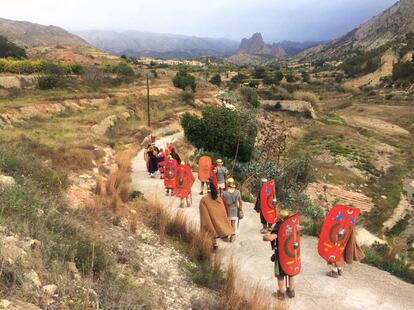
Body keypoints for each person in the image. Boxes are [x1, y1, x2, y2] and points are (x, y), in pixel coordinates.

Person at [263, 210, 296, 301]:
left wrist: (265, 237)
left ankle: (281, 293)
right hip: (291, 253)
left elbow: (271, 237)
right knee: (290, 272)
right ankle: (291, 291)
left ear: (280, 217)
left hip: (281, 255)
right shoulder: (292, 225)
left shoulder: (280, 226)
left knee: (280, 274)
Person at [199, 180, 235, 250]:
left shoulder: (204, 199)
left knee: (210, 227)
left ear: (208, 190)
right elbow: (223, 212)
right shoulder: (219, 199)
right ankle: (230, 234)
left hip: (209, 218)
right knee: (220, 225)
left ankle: (214, 243)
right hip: (218, 219)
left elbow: (203, 212)